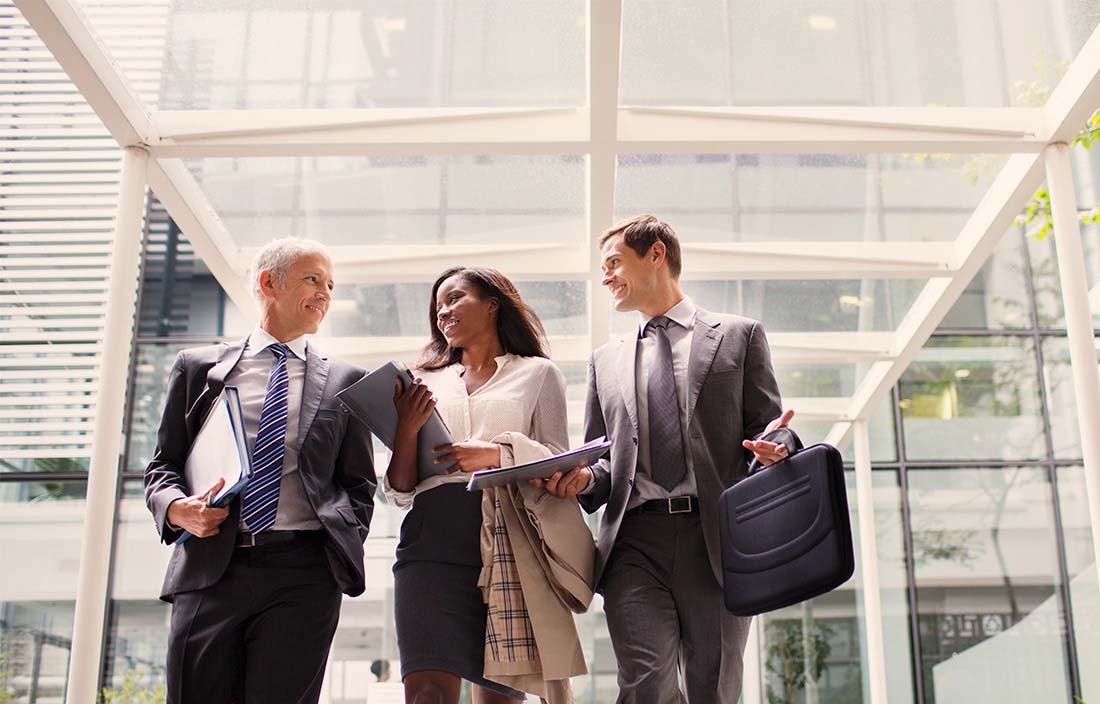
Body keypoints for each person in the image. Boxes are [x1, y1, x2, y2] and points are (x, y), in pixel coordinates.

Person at [539, 214, 795, 703]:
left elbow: (769, 427)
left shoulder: (738, 335)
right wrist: (581, 480)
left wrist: (776, 450)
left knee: (714, 685)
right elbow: (602, 459)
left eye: (614, 262)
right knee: (644, 682)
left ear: (656, 254)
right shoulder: (605, 360)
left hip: (716, 538)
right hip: (634, 541)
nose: (606, 276)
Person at [144, 237, 377, 704]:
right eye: (313, 279)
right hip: (211, 567)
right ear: (269, 283)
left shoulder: (346, 381)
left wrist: (338, 543)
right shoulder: (198, 368)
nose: (325, 293)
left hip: (305, 573)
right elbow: (162, 467)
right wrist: (177, 510)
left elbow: (359, 484)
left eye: (331, 284)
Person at [385, 266, 574, 703]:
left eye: (454, 299)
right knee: (426, 693)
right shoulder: (420, 380)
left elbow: (559, 466)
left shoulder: (538, 375)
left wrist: (498, 455)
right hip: (428, 547)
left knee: (500, 696)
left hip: (508, 544)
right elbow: (398, 491)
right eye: (438, 307)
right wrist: (407, 430)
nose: (443, 312)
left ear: (493, 304)